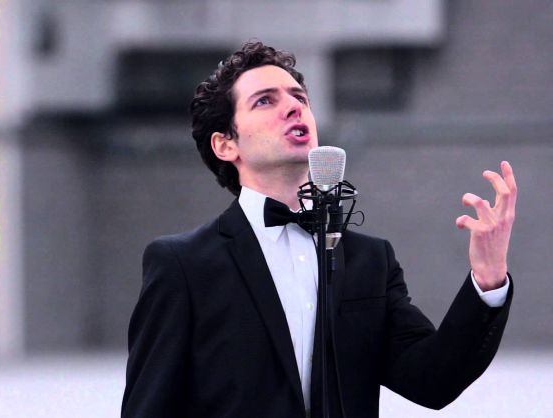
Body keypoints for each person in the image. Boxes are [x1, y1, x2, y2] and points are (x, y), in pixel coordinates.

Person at [121, 41, 516, 418]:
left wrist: (488, 279)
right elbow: (149, 406)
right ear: (226, 144)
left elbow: (433, 379)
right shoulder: (182, 265)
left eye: (299, 97)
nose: (293, 107)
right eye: (265, 100)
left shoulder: (369, 260)